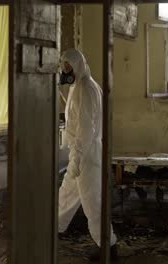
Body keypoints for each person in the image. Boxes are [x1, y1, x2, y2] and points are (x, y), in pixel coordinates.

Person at [58, 48, 118, 261]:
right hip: (81, 153)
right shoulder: (79, 86)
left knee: (93, 204)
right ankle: (54, 231)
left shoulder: (86, 89)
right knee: (66, 195)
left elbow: (86, 128)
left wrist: (76, 158)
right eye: (63, 66)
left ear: (78, 65)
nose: (65, 70)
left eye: (68, 66)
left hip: (87, 156)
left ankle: (109, 247)